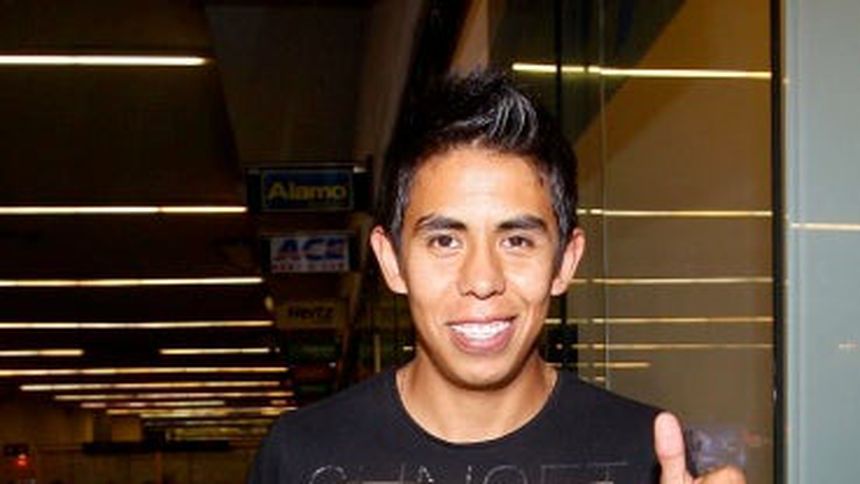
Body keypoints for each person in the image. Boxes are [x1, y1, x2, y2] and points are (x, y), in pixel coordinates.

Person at [248, 71, 745, 484]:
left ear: (565, 262)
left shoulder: (646, 452)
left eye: (517, 241)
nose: (482, 280)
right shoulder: (302, 454)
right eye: (445, 241)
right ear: (392, 261)